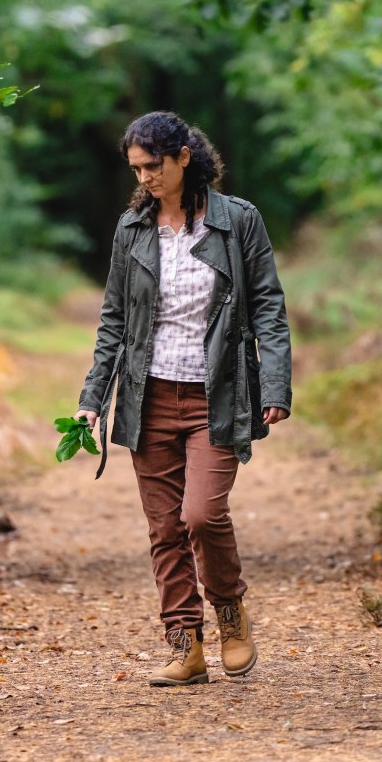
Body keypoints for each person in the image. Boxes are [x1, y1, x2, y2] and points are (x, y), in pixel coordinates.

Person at [75, 111, 292, 687]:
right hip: (147, 397)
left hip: (218, 394)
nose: (144, 178)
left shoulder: (238, 221)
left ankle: (229, 610)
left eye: (153, 166)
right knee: (164, 528)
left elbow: (269, 306)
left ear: (184, 157)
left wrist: (274, 385)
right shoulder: (132, 229)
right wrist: (93, 397)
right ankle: (185, 646)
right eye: (136, 169)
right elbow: (114, 320)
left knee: (201, 514)